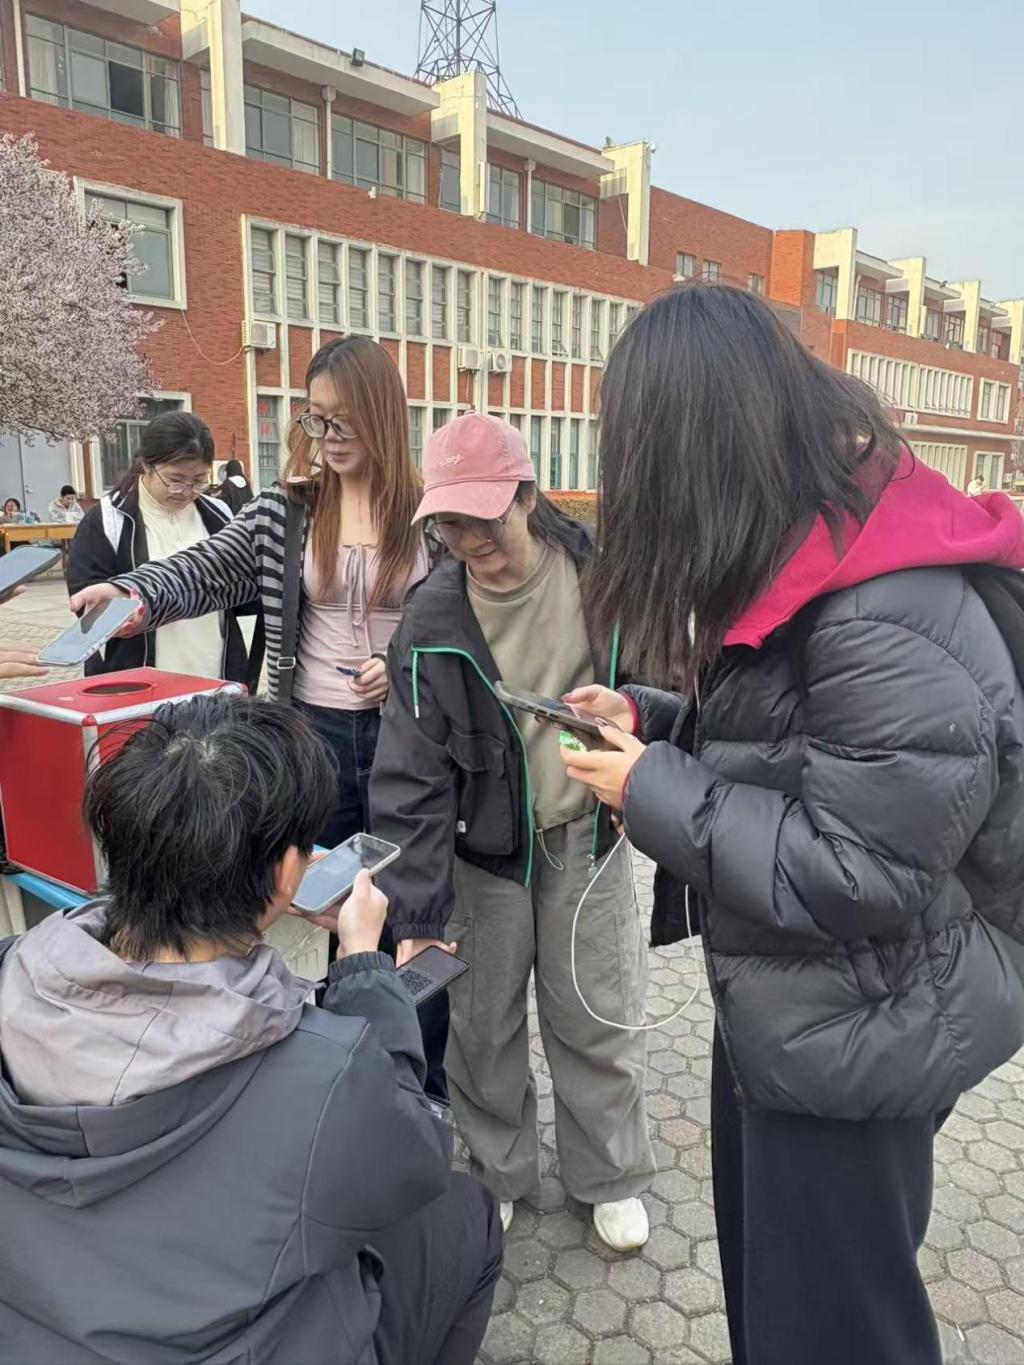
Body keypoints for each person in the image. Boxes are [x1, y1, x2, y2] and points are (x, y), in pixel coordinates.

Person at [560, 284, 1024, 1365]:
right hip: (802, 1010)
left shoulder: (882, 608)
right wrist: (651, 722)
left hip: (863, 1029)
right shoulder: (821, 554)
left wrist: (650, 789)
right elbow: (789, 750)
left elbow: (864, 870)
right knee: (778, 1308)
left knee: (833, 1329)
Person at [0, 692, 501, 1365]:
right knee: (467, 1215)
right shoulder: (318, 1079)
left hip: (36, 1324)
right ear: (289, 873)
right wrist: (362, 964)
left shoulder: (13, 969)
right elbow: (412, 1156)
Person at [68, 338, 446, 1093]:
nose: (327, 437)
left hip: (409, 742)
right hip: (314, 734)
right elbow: (207, 567)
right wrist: (132, 594)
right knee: (332, 902)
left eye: (343, 421)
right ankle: (351, 1072)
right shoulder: (289, 509)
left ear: (382, 415)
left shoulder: (430, 512)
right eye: (316, 419)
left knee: (414, 910)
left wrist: (407, 660)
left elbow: (465, 620)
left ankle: (423, 1082)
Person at [370, 412, 655, 1251]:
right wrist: (417, 914)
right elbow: (411, 776)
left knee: (596, 1012)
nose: (469, 541)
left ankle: (610, 1174)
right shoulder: (430, 619)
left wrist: (647, 775)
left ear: (529, 496)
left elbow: (660, 683)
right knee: (482, 1022)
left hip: (585, 838)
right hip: (483, 853)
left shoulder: (603, 578)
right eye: (449, 523)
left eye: (485, 518)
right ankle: (497, 1170)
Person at [67, 412, 254, 684]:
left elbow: (240, 588)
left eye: (199, 480)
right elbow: (87, 599)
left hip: (213, 672)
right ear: (146, 464)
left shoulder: (218, 514)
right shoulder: (107, 520)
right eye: (175, 480)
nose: (186, 491)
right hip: (137, 679)